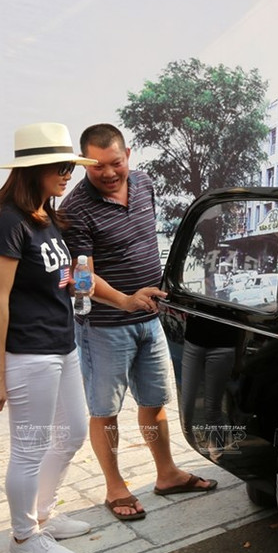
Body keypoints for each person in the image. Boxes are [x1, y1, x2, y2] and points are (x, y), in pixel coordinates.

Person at [59, 123, 216, 522]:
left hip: (150, 318)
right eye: (97, 167)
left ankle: (166, 474)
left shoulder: (144, 184)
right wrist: (126, 301)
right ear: (83, 165)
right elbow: (81, 279)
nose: (108, 173)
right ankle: (115, 487)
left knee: (154, 402)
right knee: (105, 411)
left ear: (127, 155)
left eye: (115, 163)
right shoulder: (74, 210)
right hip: (104, 327)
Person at [0, 122, 95, 553]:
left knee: (72, 434)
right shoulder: (7, 221)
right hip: (28, 353)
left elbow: (61, 280)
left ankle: (42, 514)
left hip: (62, 344)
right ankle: (24, 540)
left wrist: (102, 293)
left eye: (71, 167)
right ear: (36, 169)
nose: (69, 175)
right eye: (62, 167)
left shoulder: (45, 216)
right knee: (30, 445)